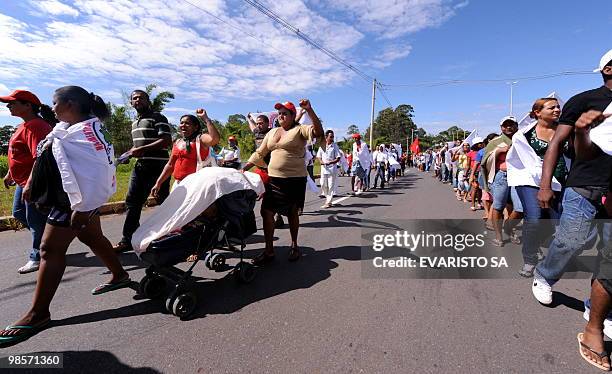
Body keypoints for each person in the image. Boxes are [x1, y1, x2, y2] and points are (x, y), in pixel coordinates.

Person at [0, 86, 129, 345]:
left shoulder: (84, 134)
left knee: (49, 249)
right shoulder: (70, 129)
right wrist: (32, 184)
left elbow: (100, 176)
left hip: (73, 201)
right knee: (92, 239)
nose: (52, 107)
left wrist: (82, 210)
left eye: (55, 103)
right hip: (74, 198)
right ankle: (120, 275)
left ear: (69, 104)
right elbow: (48, 154)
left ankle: (38, 314)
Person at [532, 50, 612, 314]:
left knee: (609, 255)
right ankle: (544, 274)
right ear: (608, 70)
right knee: (573, 241)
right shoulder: (584, 101)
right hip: (583, 186)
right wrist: (545, 185)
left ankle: (599, 307)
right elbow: (555, 144)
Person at [242, 99, 323, 264]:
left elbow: (318, 132)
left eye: (285, 113)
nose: (281, 116)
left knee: (292, 212)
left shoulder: (300, 130)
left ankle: (294, 245)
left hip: (294, 179)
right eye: (279, 114)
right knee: (266, 212)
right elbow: (260, 152)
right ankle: (269, 250)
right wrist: (244, 168)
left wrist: (309, 110)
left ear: (293, 116)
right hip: (274, 179)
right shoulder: (272, 132)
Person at [506, 98, 567, 277]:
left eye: (558, 107)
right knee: (534, 217)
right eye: (552, 107)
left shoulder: (566, 130)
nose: (557, 109)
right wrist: (544, 185)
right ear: (537, 112)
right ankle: (530, 259)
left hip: (560, 180)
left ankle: (538, 244)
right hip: (530, 179)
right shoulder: (523, 135)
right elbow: (528, 163)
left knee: (558, 221)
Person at [1, 90, 55, 274]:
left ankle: (37, 256)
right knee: (19, 213)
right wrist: (10, 173)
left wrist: (31, 183)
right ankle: (50, 240)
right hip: (22, 181)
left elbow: (40, 158)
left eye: (12, 103)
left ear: (27, 106)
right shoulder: (22, 126)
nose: (8, 106)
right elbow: (18, 153)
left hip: (34, 181)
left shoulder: (37, 126)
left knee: (34, 220)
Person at [113, 90, 172, 253]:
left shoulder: (158, 117)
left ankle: (171, 234)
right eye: (134, 98)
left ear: (148, 101)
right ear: (131, 103)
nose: (137, 100)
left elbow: (166, 140)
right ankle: (128, 239)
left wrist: (142, 149)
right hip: (141, 166)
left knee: (162, 200)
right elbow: (138, 147)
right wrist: (128, 154)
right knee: (132, 201)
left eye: (141, 98)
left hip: (158, 166)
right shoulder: (134, 123)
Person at [151, 109, 220, 195]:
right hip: (179, 185)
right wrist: (158, 183)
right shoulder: (177, 142)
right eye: (181, 123)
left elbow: (214, 139)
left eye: (187, 123)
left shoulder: (201, 139)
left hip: (196, 186)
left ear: (195, 127)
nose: (183, 125)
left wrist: (206, 119)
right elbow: (170, 165)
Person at [481, 117, 524, 247]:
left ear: (516, 126)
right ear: (501, 128)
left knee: (520, 208)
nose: (508, 127)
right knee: (498, 206)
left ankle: (508, 227)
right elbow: (484, 161)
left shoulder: (523, 140)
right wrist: (499, 151)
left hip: (519, 177)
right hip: (501, 177)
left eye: (511, 125)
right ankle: (499, 237)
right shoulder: (495, 142)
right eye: (505, 125)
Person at [316, 130, 341, 208]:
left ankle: (328, 202)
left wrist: (331, 162)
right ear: (326, 137)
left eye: (333, 136)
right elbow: (318, 156)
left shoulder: (335, 146)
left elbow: (338, 158)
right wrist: (321, 162)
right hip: (324, 169)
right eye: (331, 136)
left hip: (332, 169)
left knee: (330, 186)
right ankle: (328, 199)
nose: (332, 138)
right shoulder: (322, 146)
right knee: (323, 184)